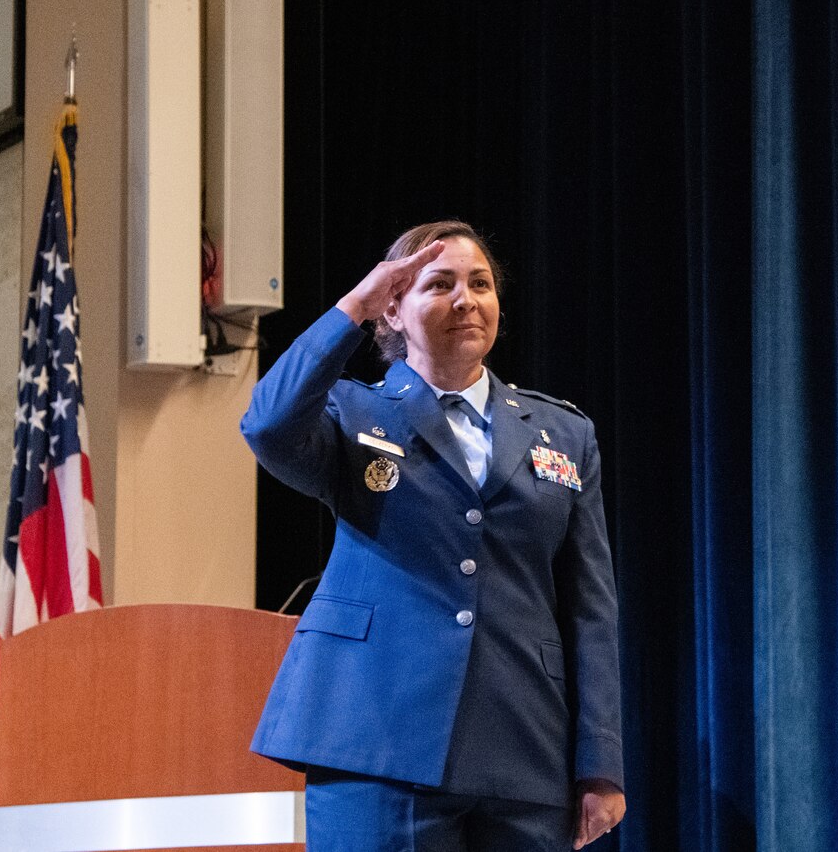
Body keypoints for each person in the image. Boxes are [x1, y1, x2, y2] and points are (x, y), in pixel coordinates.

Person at [242, 221, 626, 851]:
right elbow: (267, 425)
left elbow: (591, 607)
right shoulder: (352, 412)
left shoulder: (564, 433)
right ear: (393, 307)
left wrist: (600, 762)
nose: (465, 299)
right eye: (439, 284)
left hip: (523, 744)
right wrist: (352, 309)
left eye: (480, 284)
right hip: (375, 736)